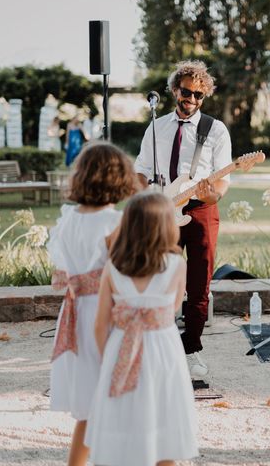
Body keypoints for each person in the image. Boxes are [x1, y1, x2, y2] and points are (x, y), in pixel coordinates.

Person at [135, 60, 232, 380]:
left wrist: (208, 193)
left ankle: (192, 350)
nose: (191, 99)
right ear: (175, 90)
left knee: (198, 284)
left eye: (199, 95)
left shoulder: (215, 130)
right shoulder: (156, 127)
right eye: (186, 92)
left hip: (201, 211)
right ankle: (161, 349)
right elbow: (141, 171)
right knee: (161, 280)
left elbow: (220, 187)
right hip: (163, 213)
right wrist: (147, 196)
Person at [85, 192, 198, 465]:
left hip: (121, 349)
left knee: (124, 422)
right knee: (166, 425)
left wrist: (109, 359)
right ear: (166, 227)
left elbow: (100, 325)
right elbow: (171, 310)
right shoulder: (177, 266)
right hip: (163, 353)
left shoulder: (112, 269)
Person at [48, 142, 138, 466]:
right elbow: (124, 275)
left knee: (89, 408)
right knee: (113, 399)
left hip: (73, 314)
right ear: (118, 179)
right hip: (103, 318)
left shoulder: (68, 219)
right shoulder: (113, 223)